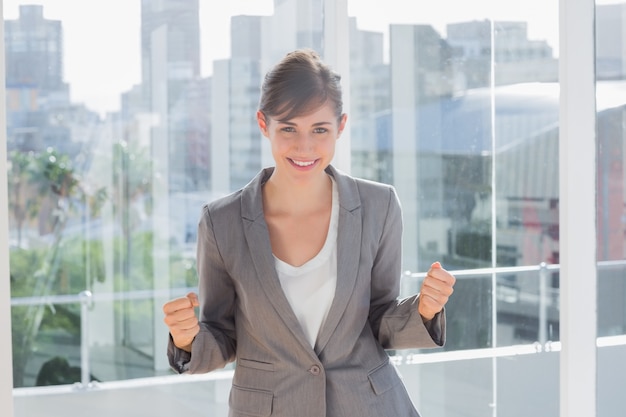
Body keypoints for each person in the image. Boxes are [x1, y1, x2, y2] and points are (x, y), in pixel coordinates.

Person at [163, 48, 456, 417]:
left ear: (342, 126)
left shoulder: (379, 205)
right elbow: (223, 335)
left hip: (369, 406)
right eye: (288, 128)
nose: (305, 147)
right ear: (262, 124)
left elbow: (380, 319)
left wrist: (424, 311)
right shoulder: (221, 222)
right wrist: (187, 339)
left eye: (320, 129)